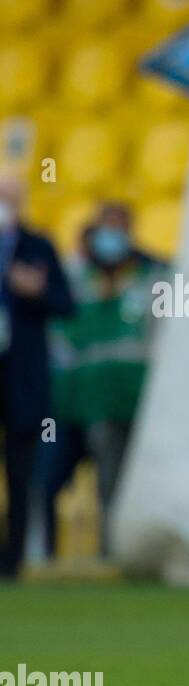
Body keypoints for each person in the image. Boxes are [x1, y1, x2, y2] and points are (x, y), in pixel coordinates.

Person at [42, 202, 162, 558]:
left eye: (119, 230)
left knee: (115, 486)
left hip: (129, 401)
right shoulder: (77, 280)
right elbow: (61, 339)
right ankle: (42, 556)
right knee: (50, 483)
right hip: (78, 402)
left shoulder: (152, 278)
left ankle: (115, 556)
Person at [0, 174, 74, 578]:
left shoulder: (38, 247)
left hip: (21, 380)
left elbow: (66, 303)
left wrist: (36, 292)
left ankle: (13, 560)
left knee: (19, 469)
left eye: (9, 198)